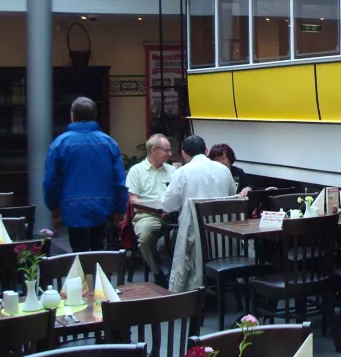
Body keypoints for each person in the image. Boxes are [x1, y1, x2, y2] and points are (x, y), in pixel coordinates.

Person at [43, 97, 127, 252]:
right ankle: (97, 275)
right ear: (94, 115)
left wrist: (53, 206)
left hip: (71, 206)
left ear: (72, 115)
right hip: (103, 206)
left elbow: (50, 181)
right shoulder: (109, 143)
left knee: (78, 251)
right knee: (99, 249)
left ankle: (82, 275)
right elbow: (119, 181)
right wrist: (120, 208)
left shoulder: (59, 144)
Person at [125, 133, 174, 287]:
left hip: (171, 215)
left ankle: (177, 273)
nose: (170, 154)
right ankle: (158, 272)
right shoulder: (137, 170)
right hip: (147, 215)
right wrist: (153, 209)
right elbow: (133, 199)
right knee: (146, 238)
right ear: (154, 150)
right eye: (167, 150)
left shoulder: (172, 170)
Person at [161, 135, 235, 213]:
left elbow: (168, 206)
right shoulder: (224, 170)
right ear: (206, 150)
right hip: (219, 223)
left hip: (192, 224)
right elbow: (232, 196)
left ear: (183, 154)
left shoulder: (181, 172)